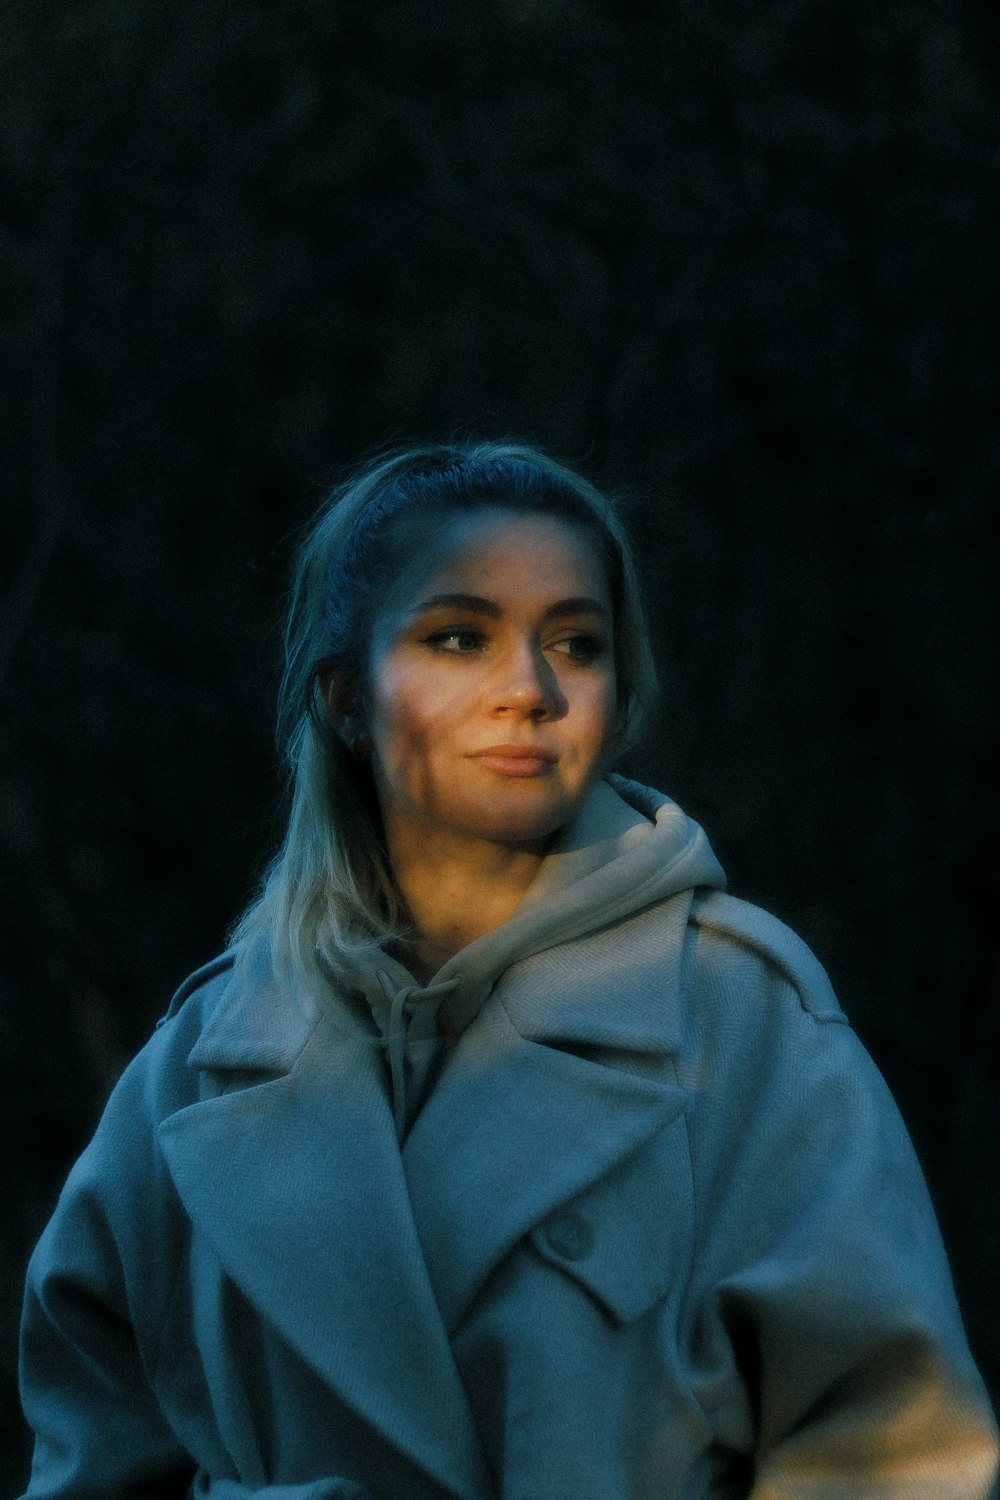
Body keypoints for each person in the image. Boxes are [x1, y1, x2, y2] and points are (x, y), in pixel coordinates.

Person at [17, 442, 1000, 1500]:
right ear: (344, 696)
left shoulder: (734, 1010)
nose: (528, 690)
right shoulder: (203, 1066)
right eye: (458, 637)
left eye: (575, 645)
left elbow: (895, 1453)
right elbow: (92, 1449)